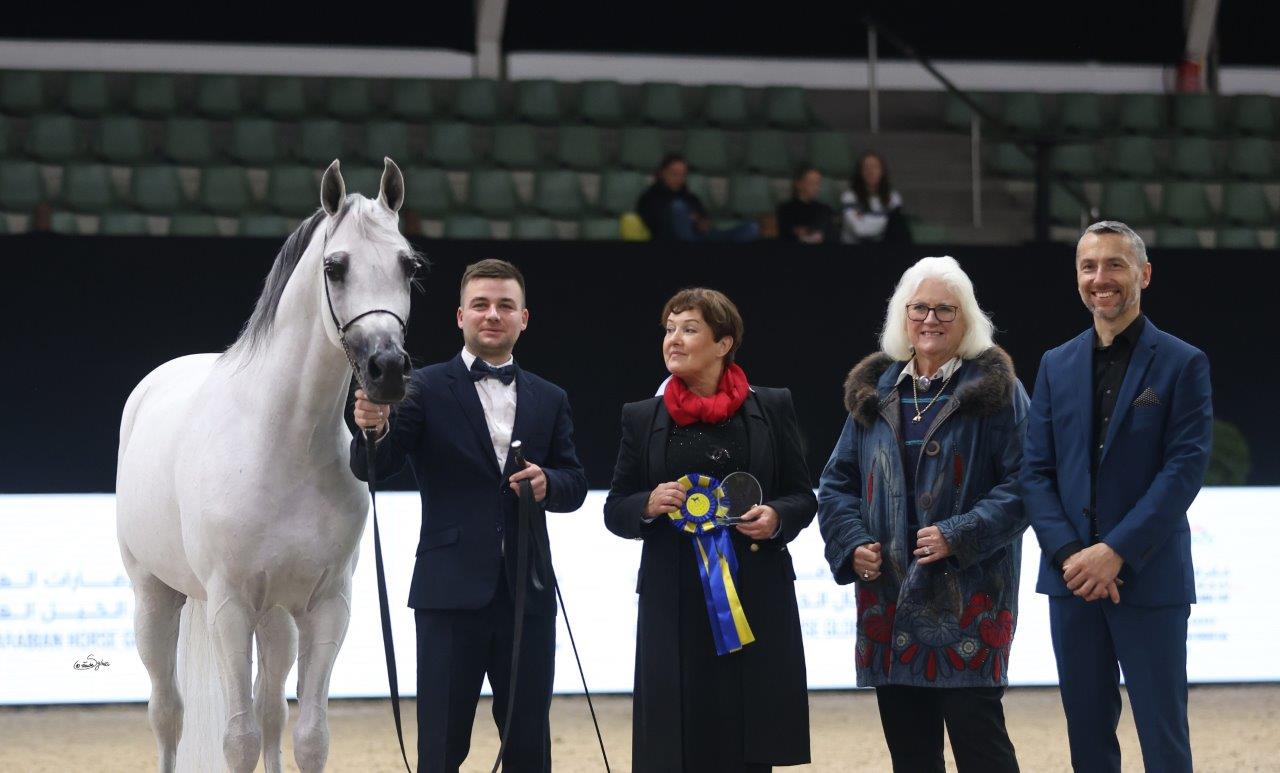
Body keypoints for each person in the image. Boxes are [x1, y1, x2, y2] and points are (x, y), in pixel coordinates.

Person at [349, 259, 588, 773]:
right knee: (440, 744)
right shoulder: (421, 387)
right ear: (460, 316)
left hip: (528, 591)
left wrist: (549, 482)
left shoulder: (551, 397)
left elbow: (575, 483)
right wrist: (371, 429)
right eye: (481, 304)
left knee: (528, 745)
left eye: (505, 305)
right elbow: (376, 468)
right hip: (448, 591)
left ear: (525, 318)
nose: (492, 315)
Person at [817, 256, 1028, 772]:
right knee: (911, 757)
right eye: (919, 309)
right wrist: (851, 543)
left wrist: (959, 534)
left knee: (983, 750)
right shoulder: (877, 392)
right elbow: (835, 482)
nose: (930, 320)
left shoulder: (997, 393)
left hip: (970, 598)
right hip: (887, 596)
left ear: (967, 319)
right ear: (901, 317)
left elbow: (1025, 484)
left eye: (944, 310)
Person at [1020, 221, 1213, 773]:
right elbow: (1036, 471)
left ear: (1144, 275)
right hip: (1071, 579)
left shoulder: (1183, 363)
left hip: (1148, 577)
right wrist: (1070, 556)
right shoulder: (1056, 364)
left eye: (1114, 265)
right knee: (1087, 736)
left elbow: (1183, 471)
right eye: (1088, 266)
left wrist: (1116, 551)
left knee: (1163, 732)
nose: (1100, 278)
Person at [604, 288, 815, 772]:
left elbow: (803, 495)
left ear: (724, 343)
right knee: (678, 744)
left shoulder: (773, 407)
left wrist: (778, 517)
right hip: (672, 599)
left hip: (755, 596)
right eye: (669, 329)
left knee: (749, 743)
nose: (673, 340)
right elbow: (616, 509)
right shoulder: (641, 417)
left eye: (689, 329)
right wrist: (648, 504)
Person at [636, 153, 760, 243]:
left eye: (683, 175)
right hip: (672, 241)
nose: (679, 178)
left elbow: (702, 219)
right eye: (674, 174)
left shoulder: (690, 197)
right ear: (662, 173)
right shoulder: (650, 197)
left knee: (751, 228)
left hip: (701, 237)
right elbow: (657, 224)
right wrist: (684, 217)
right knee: (678, 207)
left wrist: (701, 223)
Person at [840, 151, 908, 244]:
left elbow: (896, 226)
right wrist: (887, 219)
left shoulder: (893, 196)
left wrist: (866, 219)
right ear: (860, 172)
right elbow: (860, 230)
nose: (871, 171)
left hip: (884, 247)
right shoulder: (849, 197)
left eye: (875, 167)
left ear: (882, 171)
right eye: (866, 167)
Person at [775, 166, 835, 244]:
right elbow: (784, 235)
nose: (816, 188)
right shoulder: (785, 209)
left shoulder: (824, 209)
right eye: (812, 183)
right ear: (799, 184)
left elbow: (831, 235)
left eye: (818, 183)